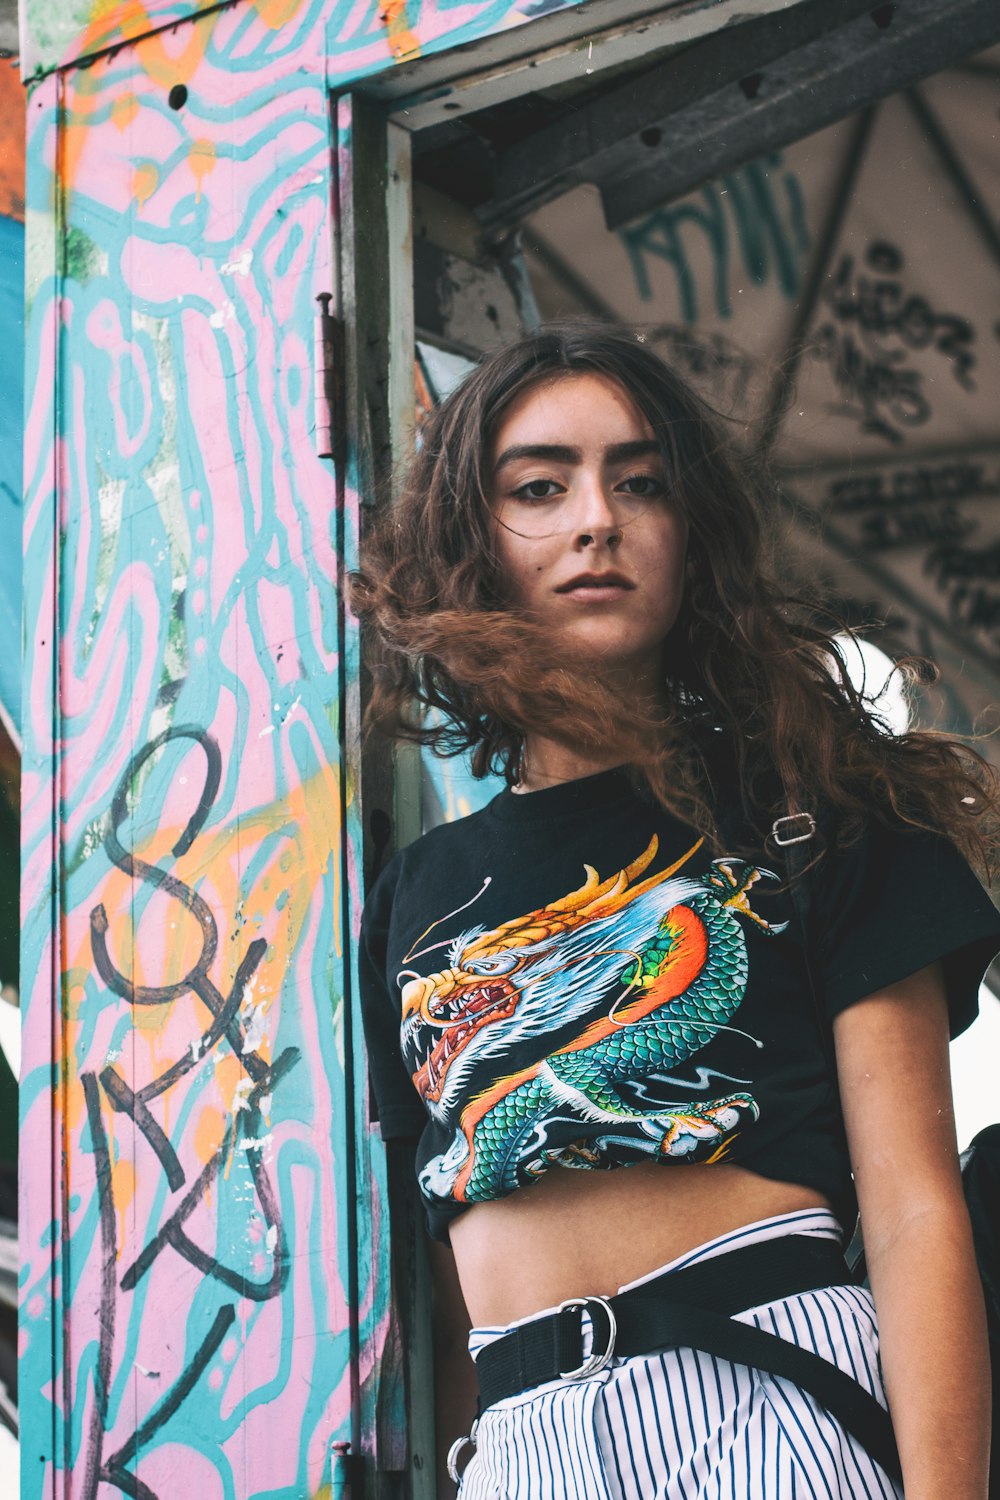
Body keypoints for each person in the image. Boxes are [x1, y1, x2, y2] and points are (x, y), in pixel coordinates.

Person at [351, 322, 1000, 1499]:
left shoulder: (820, 814)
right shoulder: (414, 895)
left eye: (639, 482)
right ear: (470, 543)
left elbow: (911, 1209)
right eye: (539, 487)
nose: (595, 517)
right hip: (519, 1447)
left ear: (689, 532)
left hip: (766, 1408)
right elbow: (434, 1272)